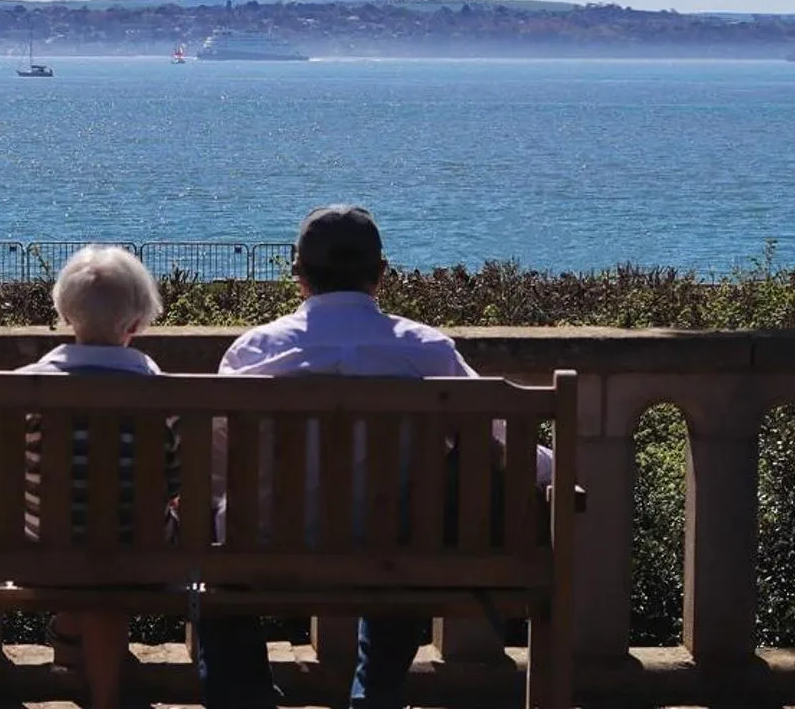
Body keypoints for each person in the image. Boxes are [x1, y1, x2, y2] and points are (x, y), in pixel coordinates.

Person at [195, 204, 553, 709]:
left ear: (298, 276)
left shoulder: (254, 352)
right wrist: (556, 470)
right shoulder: (427, 351)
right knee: (409, 533)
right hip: (391, 552)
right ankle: (375, 694)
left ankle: (244, 696)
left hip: (264, 547)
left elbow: (211, 466)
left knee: (213, 557)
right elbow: (501, 440)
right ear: (380, 273)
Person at [15, 244, 176, 709]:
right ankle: (102, 681)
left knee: (76, 526)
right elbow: (176, 476)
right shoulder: (159, 389)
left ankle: (72, 633)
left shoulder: (27, 384)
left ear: (66, 313)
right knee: (118, 532)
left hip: (42, 549)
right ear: (136, 323)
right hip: (142, 550)